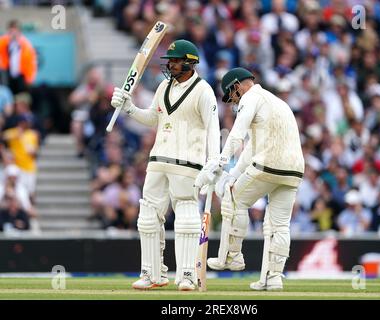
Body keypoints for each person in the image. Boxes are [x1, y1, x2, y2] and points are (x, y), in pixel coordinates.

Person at [110, 39, 220, 291]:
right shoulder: (163, 87)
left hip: (188, 162)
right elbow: (153, 118)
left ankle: (187, 275)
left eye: (175, 60)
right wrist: (129, 108)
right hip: (158, 158)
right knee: (147, 217)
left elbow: (213, 127)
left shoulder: (203, 91)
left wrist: (214, 160)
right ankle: (152, 274)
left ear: (190, 62)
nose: (170, 64)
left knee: (186, 218)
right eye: (169, 60)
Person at [195, 67, 304, 290]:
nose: (233, 102)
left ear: (237, 85)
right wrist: (232, 173)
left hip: (269, 163)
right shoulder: (278, 102)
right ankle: (272, 278)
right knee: (278, 224)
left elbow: (236, 134)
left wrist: (219, 162)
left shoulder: (250, 97)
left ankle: (232, 256)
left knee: (234, 199)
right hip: (294, 170)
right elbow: (251, 147)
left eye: (231, 95)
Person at [0, 20, 37, 94]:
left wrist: (29, 79)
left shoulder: (26, 46)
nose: (13, 35)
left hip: (21, 76)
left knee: (21, 98)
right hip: (6, 75)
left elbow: (31, 64)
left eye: (16, 32)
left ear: (20, 33)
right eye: (11, 32)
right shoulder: (3, 43)